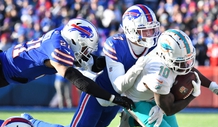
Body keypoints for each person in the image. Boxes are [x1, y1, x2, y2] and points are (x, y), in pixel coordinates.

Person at [21, 4, 161, 127]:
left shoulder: (155, 46)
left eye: (152, 29)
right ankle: (31, 122)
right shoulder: (116, 43)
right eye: (145, 30)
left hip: (118, 100)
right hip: (100, 93)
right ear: (131, 29)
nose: (150, 34)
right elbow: (118, 85)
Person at [0, 18, 134, 110]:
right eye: (85, 48)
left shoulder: (63, 35)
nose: (86, 52)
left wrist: (112, 60)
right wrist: (112, 98)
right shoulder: (58, 47)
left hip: (6, 69)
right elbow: (79, 81)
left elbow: (92, 64)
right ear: (74, 41)